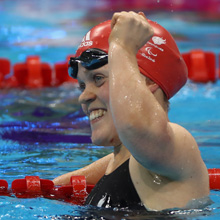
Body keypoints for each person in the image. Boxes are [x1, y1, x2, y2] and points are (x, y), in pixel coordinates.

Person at [53, 11, 210, 211]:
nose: (83, 97)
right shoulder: (128, 160)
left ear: (147, 82)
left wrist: (122, 46)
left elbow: (135, 128)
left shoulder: (177, 146)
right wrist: (56, 185)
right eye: (82, 86)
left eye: (98, 79)